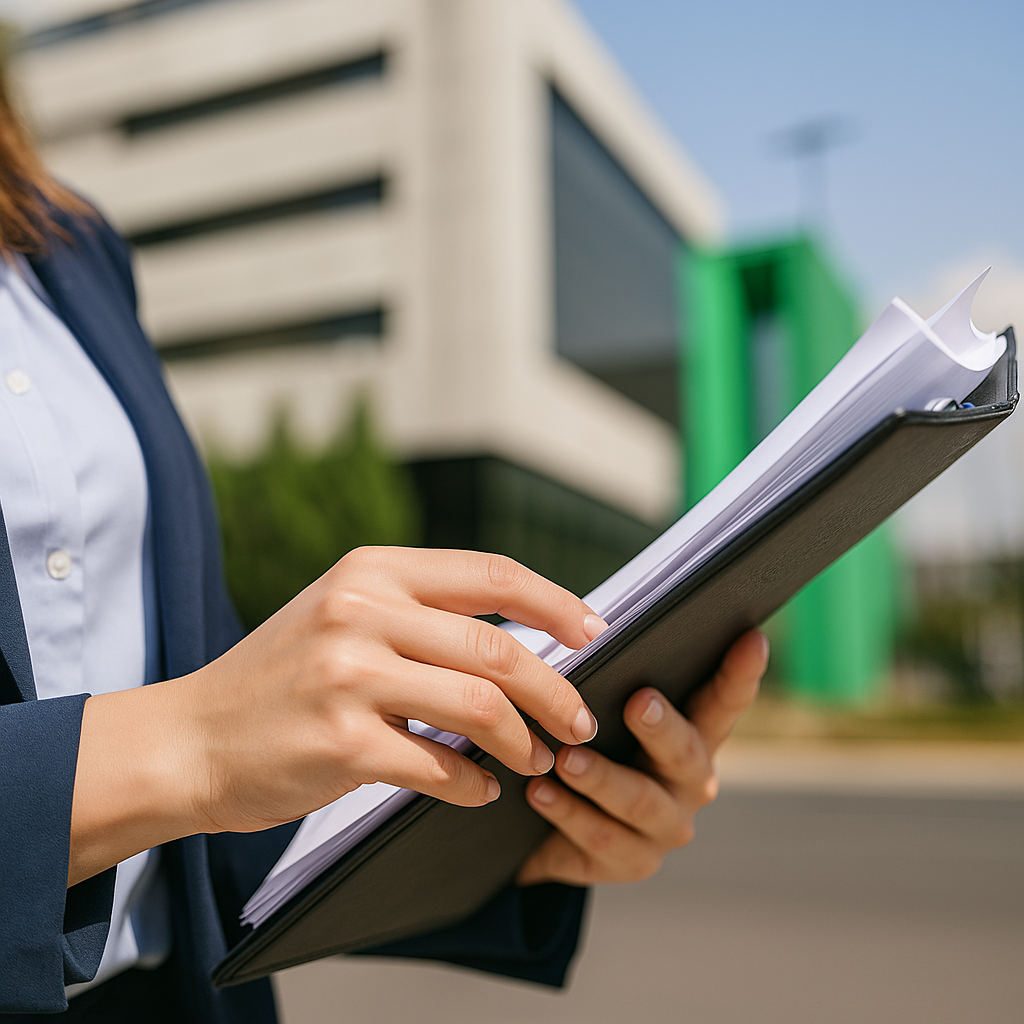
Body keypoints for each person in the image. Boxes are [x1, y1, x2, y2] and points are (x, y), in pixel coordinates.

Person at [0, 68, 768, 1023]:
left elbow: (211, 835)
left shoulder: (70, 245)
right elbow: (200, 751)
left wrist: (533, 814)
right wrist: (194, 740)